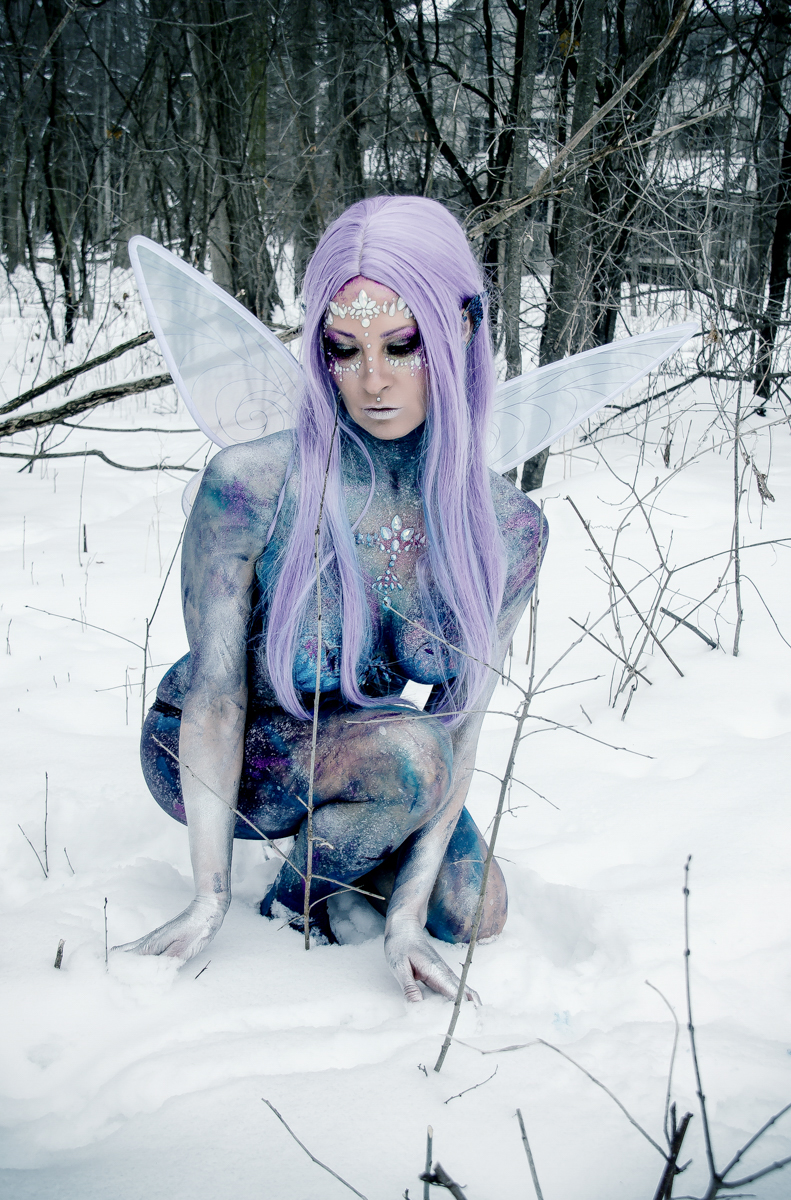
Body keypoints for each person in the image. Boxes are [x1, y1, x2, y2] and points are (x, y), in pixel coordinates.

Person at [119, 196, 546, 1003]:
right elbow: (215, 696)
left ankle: (353, 852)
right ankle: (296, 905)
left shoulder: (506, 527)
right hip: (220, 747)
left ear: (459, 328)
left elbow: (460, 729)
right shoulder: (250, 483)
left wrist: (406, 918)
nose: (372, 381)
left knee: (474, 910)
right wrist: (208, 898)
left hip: (377, 751)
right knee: (408, 758)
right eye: (343, 351)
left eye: (402, 346)